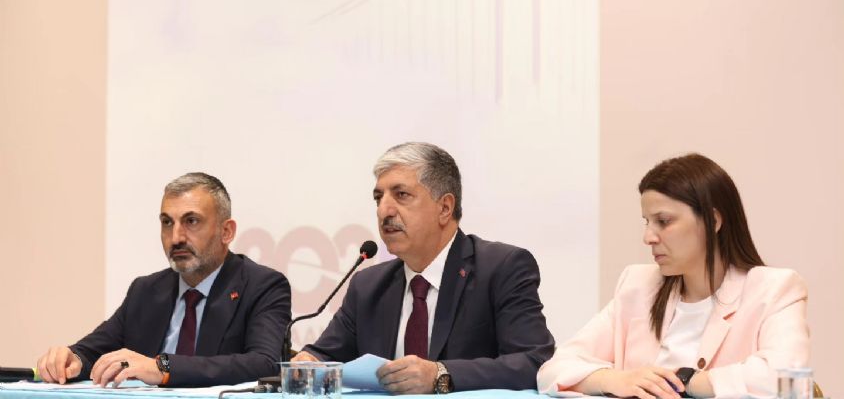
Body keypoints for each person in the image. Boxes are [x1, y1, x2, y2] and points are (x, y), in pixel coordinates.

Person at [537, 153, 810, 399]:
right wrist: (616, 380)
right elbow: (554, 369)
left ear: (713, 221)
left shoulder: (773, 289)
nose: (648, 237)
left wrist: (687, 381)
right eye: (647, 222)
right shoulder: (638, 285)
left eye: (663, 221)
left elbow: (789, 380)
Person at [292, 142, 555, 394]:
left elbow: (534, 361)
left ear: (445, 208)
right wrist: (308, 361)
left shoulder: (501, 268)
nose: (384, 210)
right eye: (378, 198)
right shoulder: (368, 286)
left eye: (401, 195)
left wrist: (441, 375)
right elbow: (324, 357)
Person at [35, 173, 291, 387]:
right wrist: (73, 359)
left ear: (226, 231)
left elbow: (265, 363)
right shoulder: (146, 290)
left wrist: (163, 367)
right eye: (167, 222)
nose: (176, 237)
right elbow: (94, 350)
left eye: (191, 221)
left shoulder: (262, 286)